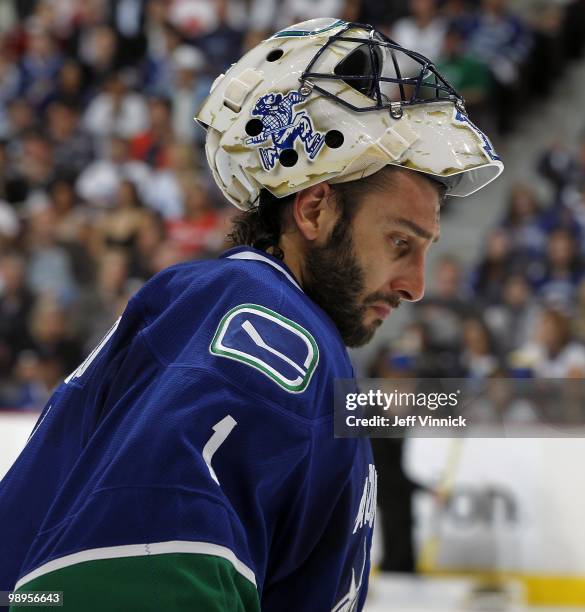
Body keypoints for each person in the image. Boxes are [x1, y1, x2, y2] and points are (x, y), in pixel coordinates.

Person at [0, 18, 503, 611]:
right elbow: (135, 579)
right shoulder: (269, 328)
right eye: (399, 242)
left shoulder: (235, 310)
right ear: (315, 211)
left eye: (425, 252)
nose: (416, 286)